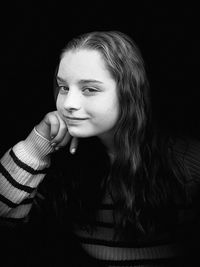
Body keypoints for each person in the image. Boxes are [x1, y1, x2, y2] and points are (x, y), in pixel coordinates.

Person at [0, 31, 200, 267]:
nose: (68, 104)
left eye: (89, 89)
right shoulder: (65, 161)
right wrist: (35, 146)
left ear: (130, 93)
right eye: (63, 87)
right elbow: (5, 218)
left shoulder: (187, 163)